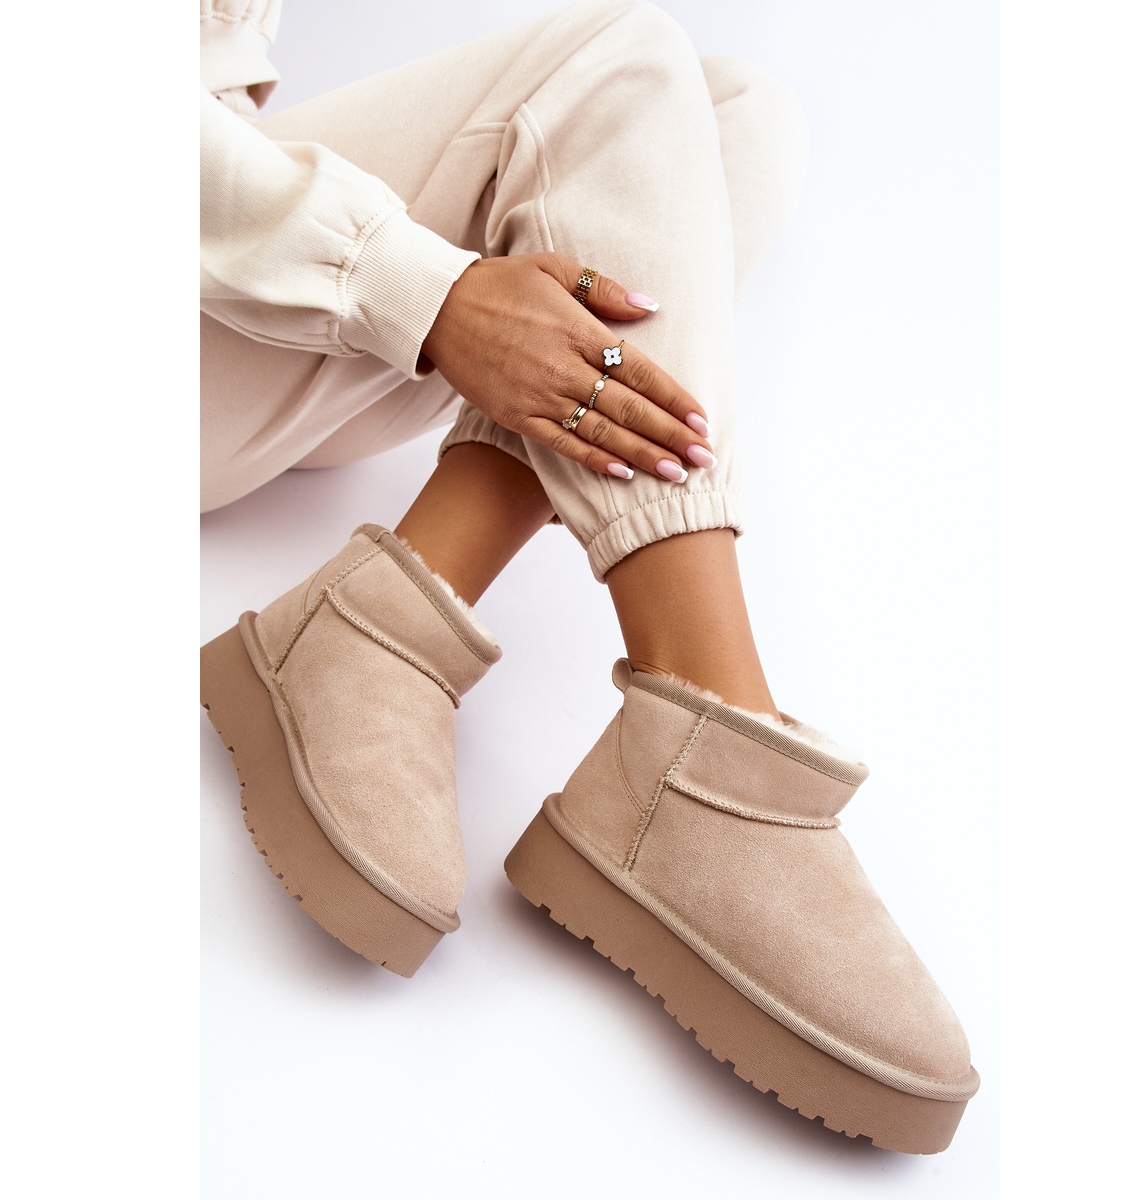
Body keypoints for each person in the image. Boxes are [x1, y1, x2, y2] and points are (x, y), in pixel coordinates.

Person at [200, 0, 979, 1154]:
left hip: (228, 289)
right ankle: (708, 737)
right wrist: (430, 292)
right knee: (617, 61)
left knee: (734, 118)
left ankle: (390, 607)